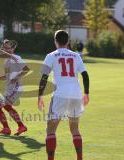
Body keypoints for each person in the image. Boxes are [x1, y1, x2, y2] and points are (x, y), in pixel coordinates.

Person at [38, 30, 90, 160]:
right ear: (68, 42)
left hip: (60, 94)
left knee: (50, 129)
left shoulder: (51, 55)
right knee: (75, 128)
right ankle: (79, 158)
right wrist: (86, 93)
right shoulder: (76, 56)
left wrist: (40, 96)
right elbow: (85, 75)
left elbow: (44, 77)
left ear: (55, 41)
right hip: (76, 94)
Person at [0, 39, 29, 136]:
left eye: (9, 47)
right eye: (6, 47)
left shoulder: (16, 58)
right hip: (9, 88)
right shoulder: (7, 61)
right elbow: (6, 76)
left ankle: (19, 126)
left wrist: (16, 78)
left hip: (16, 88)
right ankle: (7, 128)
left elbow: (26, 69)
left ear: (13, 48)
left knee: (2, 106)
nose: (8, 49)